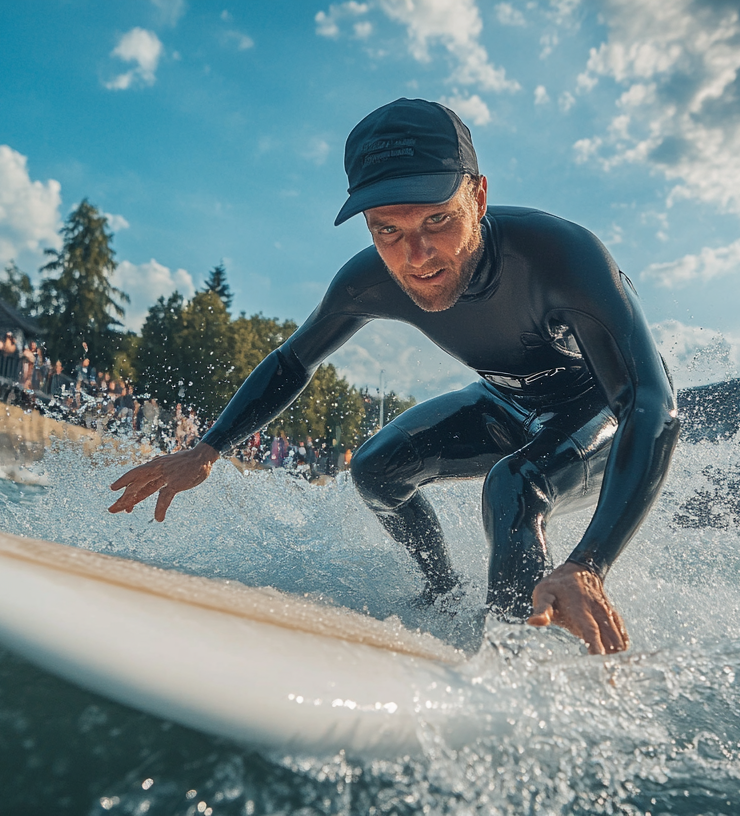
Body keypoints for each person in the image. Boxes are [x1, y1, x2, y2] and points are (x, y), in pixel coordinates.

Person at [109, 99, 679, 655]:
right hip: (506, 404)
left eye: (438, 219)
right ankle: (442, 594)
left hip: (604, 417)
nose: (419, 256)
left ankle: (518, 661)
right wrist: (208, 449)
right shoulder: (369, 281)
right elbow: (292, 360)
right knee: (378, 469)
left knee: (515, 484)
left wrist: (589, 562)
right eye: (388, 230)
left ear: (478, 197)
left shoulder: (562, 259)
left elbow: (652, 404)